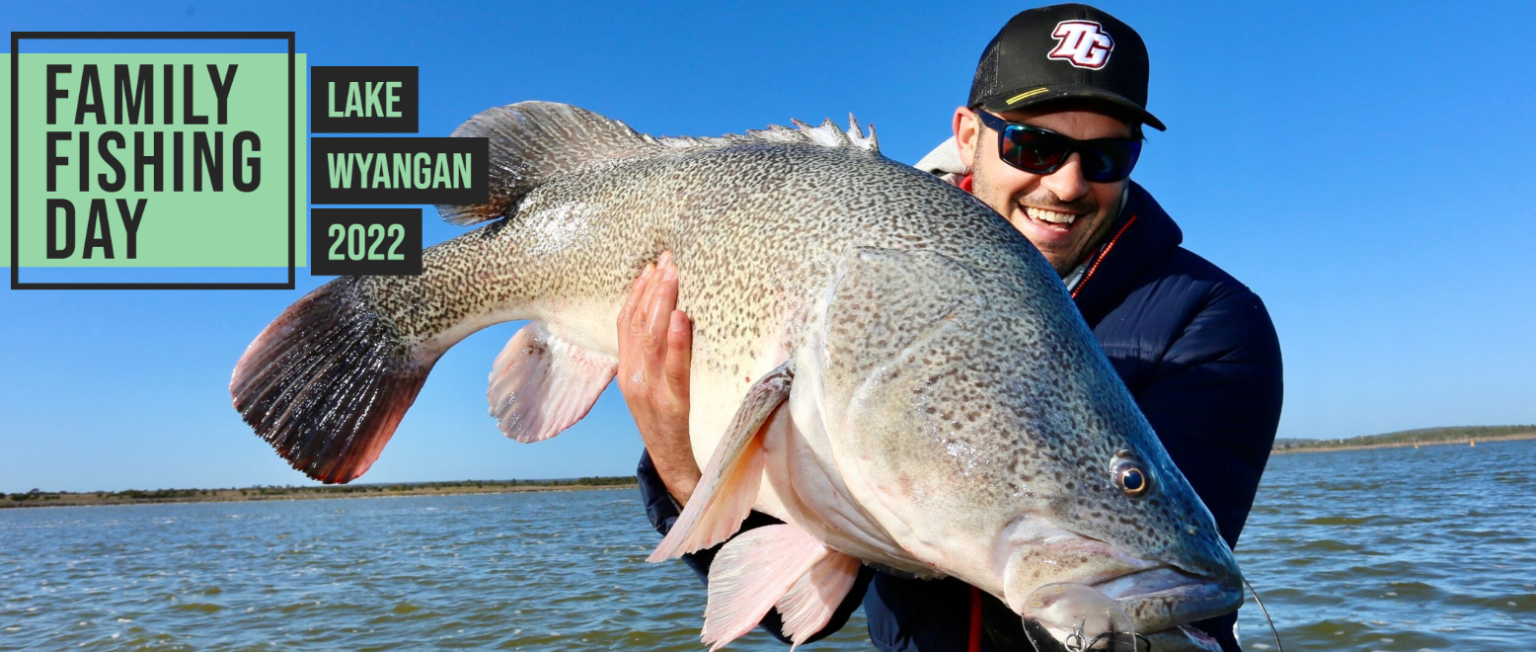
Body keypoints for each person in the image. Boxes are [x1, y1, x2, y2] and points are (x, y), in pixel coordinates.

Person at [617, 4, 1283, 651]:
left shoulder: (1215, 320)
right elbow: (808, 615)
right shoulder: (879, 268)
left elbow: (1149, 587)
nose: (1069, 183)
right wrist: (681, 468)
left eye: (1108, 156)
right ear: (968, 135)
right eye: (1035, 144)